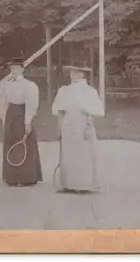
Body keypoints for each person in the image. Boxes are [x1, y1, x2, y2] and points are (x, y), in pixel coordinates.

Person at [52, 65, 104, 193]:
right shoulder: (64, 90)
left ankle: (84, 185)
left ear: (83, 74)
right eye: (72, 72)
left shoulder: (90, 91)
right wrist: (59, 127)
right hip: (68, 124)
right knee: (69, 153)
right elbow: (59, 111)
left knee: (84, 153)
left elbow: (92, 112)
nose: (73, 74)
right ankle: (68, 184)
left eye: (77, 72)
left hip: (83, 123)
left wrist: (88, 126)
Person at [0, 56, 43, 186]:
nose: (14, 69)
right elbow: (2, 102)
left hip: (22, 116)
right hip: (10, 116)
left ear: (22, 69)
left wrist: (27, 122)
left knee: (25, 145)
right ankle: (11, 177)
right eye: (12, 67)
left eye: (17, 67)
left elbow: (31, 104)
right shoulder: (5, 85)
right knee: (10, 143)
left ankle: (26, 178)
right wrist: (4, 118)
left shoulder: (29, 86)